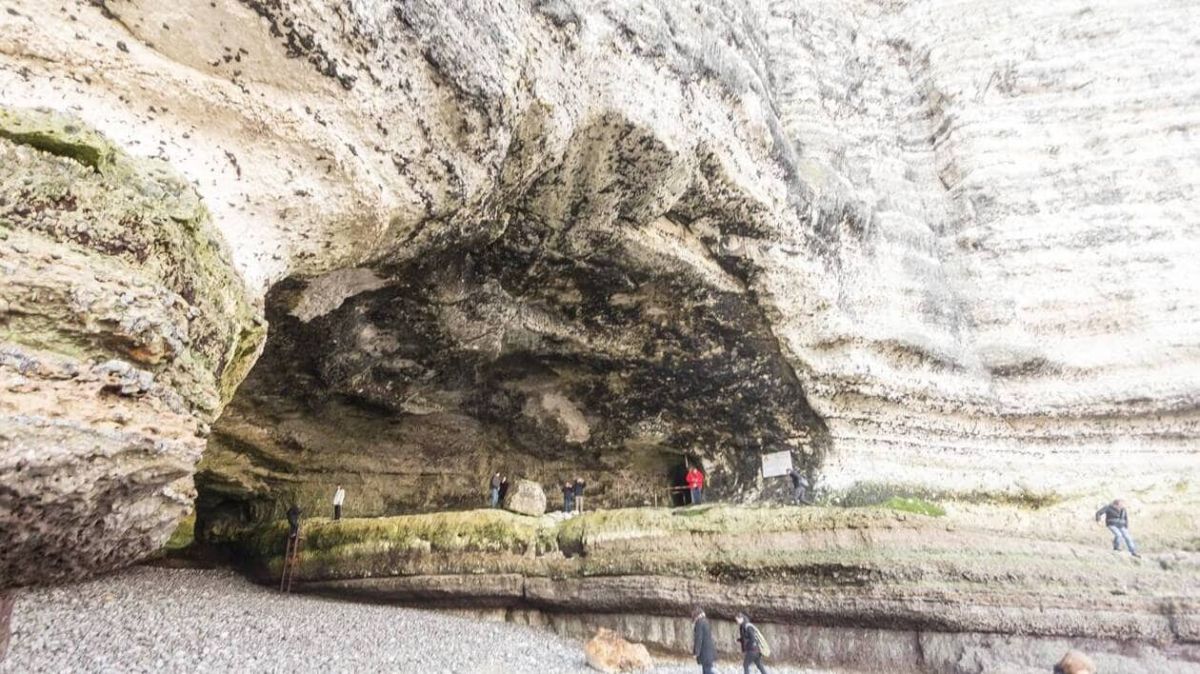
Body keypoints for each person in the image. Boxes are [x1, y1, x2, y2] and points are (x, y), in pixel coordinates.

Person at [691, 608, 717, 674]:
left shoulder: (699, 623)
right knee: (708, 669)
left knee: (707, 670)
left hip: (704, 652)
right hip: (710, 652)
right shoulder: (706, 622)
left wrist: (696, 652)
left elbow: (698, 638)